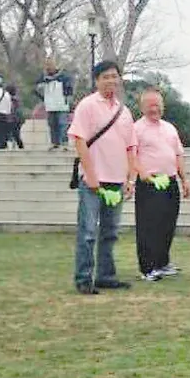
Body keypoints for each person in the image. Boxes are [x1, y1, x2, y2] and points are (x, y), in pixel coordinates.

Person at [68, 61, 137, 295]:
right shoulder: (87, 105)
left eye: (114, 76)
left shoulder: (124, 112)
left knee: (110, 232)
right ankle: (84, 278)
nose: (111, 81)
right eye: (105, 77)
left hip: (116, 180)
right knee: (88, 232)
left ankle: (106, 276)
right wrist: (90, 174)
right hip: (92, 181)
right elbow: (79, 140)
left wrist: (130, 179)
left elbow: (131, 146)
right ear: (97, 80)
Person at [133, 88, 190, 282]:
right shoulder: (137, 129)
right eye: (149, 105)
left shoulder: (169, 128)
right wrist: (140, 174)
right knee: (149, 225)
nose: (154, 109)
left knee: (168, 223)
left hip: (170, 180)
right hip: (150, 182)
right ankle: (147, 267)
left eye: (157, 105)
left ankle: (162, 262)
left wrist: (184, 179)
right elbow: (131, 155)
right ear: (142, 107)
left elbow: (178, 154)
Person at [37, 58, 74, 150]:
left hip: (61, 103)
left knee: (62, 124)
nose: (48, 68)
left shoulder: (63, 76)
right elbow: (36, 88)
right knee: (52, 124)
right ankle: (55, 143)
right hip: (50, 104)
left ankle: (64, 143)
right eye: (47, 65)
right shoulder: (43, 77)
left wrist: (68, 98)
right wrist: (43, 98)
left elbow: (69, 88)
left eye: (50, 65)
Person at [4, 83, 25, 149]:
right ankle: (20, 147)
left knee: (9, 135)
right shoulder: (17, 100)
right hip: (17, 119)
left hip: (10, 119)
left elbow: (10, 110)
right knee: (16, 135)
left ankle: (11, 147)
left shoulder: (8, 99)